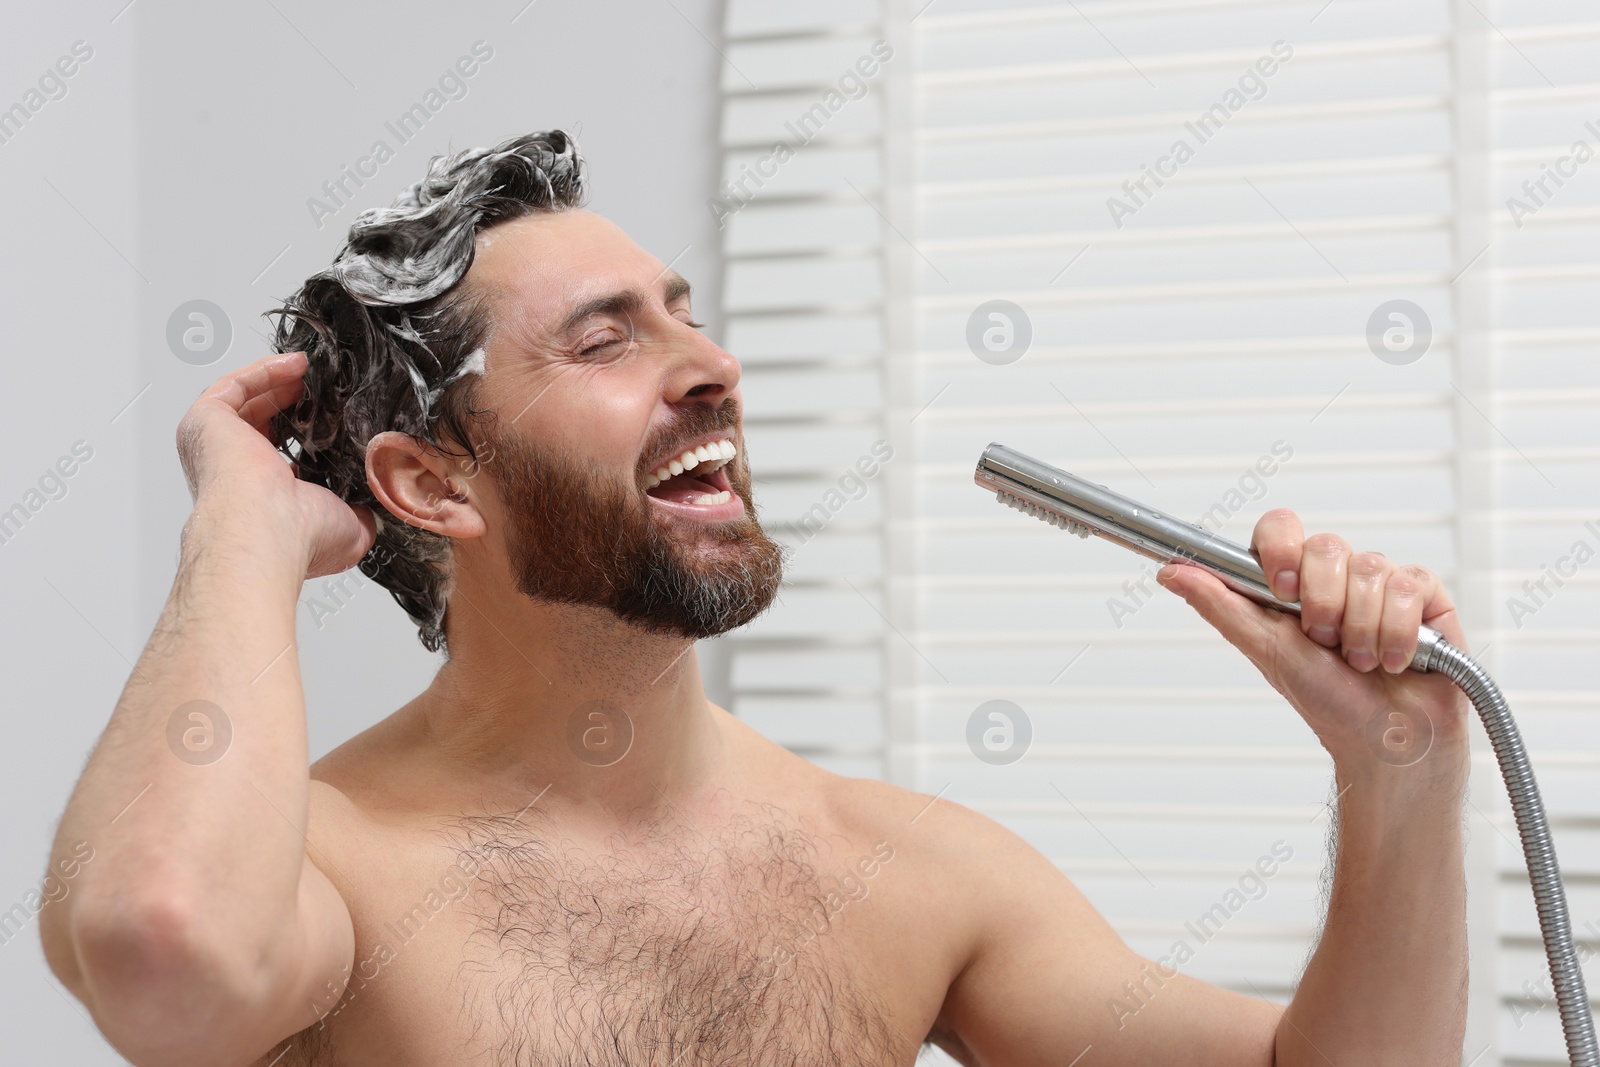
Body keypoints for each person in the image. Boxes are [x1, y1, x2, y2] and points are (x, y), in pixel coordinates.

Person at [40, 131, 1470, 1066]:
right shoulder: (338, 876)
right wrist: (240, 525)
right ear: (431, 487)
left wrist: (1398, 777)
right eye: (605, 341)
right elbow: (167, 960)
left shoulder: (907, 872)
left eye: (688, 313)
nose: (709, 365)